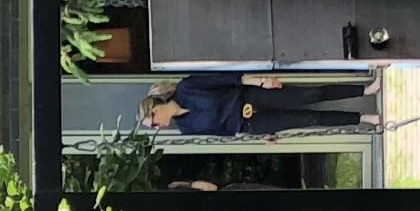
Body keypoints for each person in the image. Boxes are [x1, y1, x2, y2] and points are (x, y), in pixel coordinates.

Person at [138, 68, 380, 136]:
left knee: (311, 95)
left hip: (250, 97)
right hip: (251, 124)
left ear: (156, 108)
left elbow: (228, 79)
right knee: (309, 119)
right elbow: (222, 133)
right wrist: (262, 134)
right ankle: (365, 119)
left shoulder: (187, 87)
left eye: (154, 122)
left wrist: (261, 81)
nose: (158, 127)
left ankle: (366, 89)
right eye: (154, 127)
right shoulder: (185, 128)